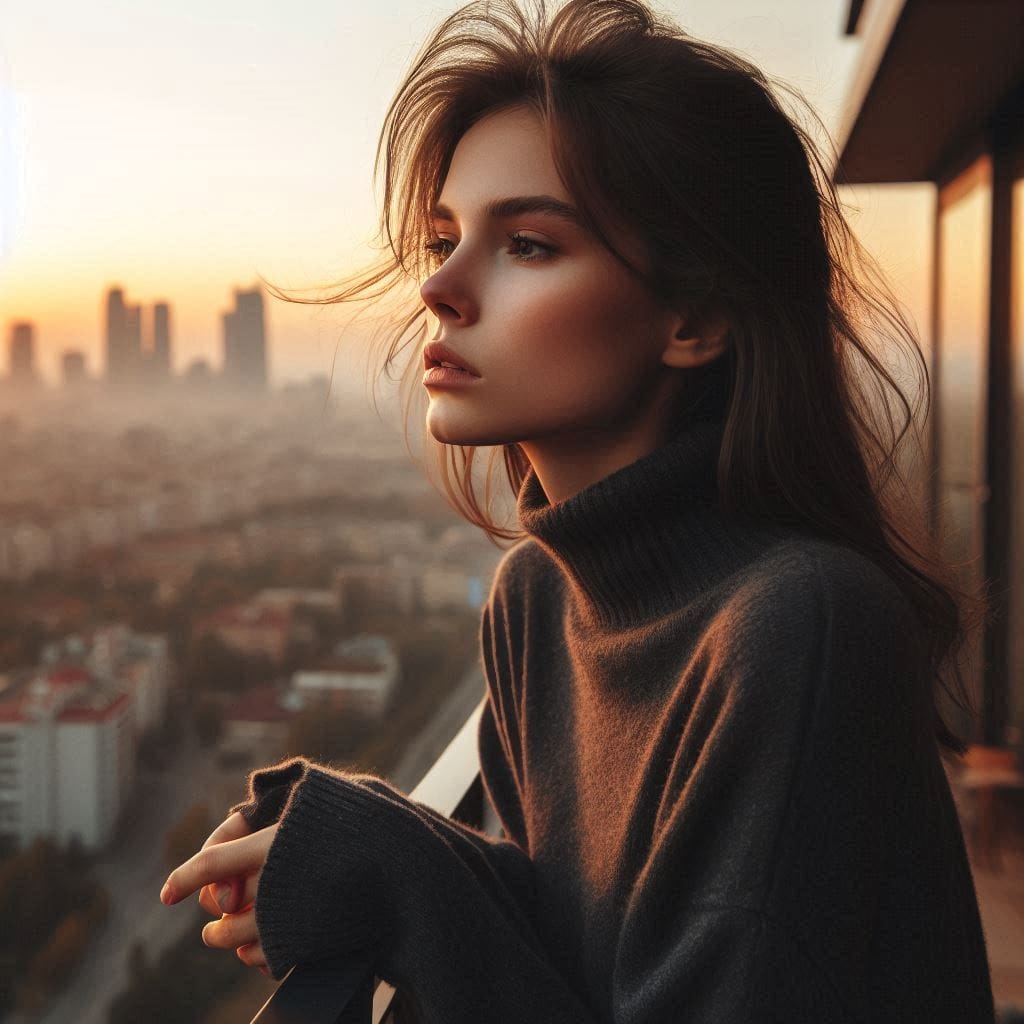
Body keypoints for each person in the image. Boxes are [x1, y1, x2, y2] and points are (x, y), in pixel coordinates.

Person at [159, 0, 998, 1019]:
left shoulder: (798, 626)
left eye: (527, 244)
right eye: (444, 237)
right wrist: (368, 833)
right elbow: (570, 954)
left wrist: (396, 874)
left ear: (692, 317)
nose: (441, 289)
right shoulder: (536, 602)